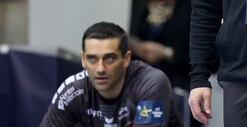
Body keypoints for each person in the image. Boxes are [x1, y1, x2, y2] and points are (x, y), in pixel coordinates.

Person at [40, 21, 182, 127]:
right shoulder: (73, 90)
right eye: (92, 58)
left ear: (126, 59)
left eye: (109, 58)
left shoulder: (150, 82)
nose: (101, 68)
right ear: (83, 60)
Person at [129, 0, 198, 126]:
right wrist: (136, 46)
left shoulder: (192, 1)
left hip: (178, 87)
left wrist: (166, 53)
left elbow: (208, 59)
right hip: (141, 85)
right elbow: (133, 34)